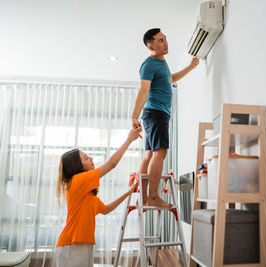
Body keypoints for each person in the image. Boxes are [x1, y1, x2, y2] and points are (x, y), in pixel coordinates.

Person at [55, 127, 142, 267]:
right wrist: (129, 140)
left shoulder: (86, 193)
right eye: (86, 158)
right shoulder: (77, 181)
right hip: (72, 245)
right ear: (77, 166)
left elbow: (106, 209)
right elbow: (111, 164)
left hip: (82, 244)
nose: (91, 158)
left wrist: (128, 193)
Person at [131, 28, 199, 208]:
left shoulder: (162, 63)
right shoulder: (149, 65)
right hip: (156, 113)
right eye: (160, 40)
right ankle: (153, 197)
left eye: (165, 39)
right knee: (160, 152)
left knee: (149, 155)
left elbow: (171, 78)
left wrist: (190, 67)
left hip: (154, 114)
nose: (165, 43)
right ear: (150, 45)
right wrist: (134, 116)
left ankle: (144, 198)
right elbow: (143, 90)